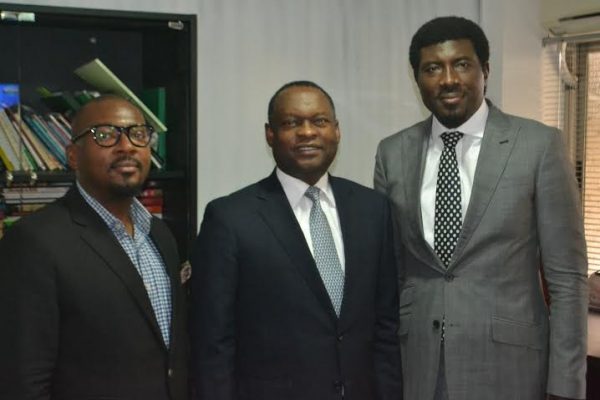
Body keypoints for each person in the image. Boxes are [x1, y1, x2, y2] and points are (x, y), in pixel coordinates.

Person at [374, 16, 588, 400]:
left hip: (510, 368)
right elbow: (392, 272)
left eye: (461, 64)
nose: (448, 79)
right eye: (432, 68)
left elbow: (567, 279)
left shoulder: (538, 146)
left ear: (485, 70)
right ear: (417, 78)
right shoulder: (392, 153)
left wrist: (566, 384)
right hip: (417, 366)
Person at [190, 81, 401, 400]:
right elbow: (213, 342)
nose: (307, 132)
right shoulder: (230, 218)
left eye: (319, 121)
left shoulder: (373, 209)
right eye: (292, 123)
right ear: (270, 134)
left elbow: (386, 326)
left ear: (336, 131)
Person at [0, 95, 189, 400]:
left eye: (138, 134)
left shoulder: (161, 234)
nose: (127, 146)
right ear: (73, 156)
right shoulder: (34, 241)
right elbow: (23, 379)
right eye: (106, 135)